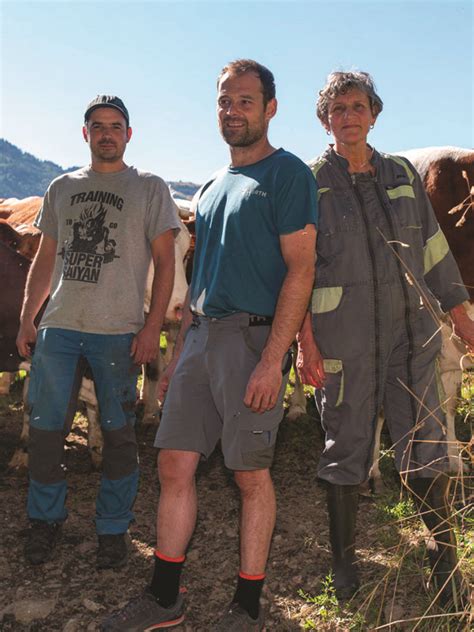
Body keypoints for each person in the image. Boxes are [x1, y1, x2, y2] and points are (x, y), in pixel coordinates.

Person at [102, 60, 318, 631]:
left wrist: (275, 359)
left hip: (252, 341)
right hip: (200, 340)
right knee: (174, 464)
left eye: (245, 101)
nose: (233, 110)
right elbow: (200, 285)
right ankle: (165, 597)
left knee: (250, 475)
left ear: (270, 108)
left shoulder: (288, 175)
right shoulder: (210, 186)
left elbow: (301, 271)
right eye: (225, 100)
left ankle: (246, 607)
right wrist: (177, 359)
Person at [297, 71, 474, 608]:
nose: (348, 116)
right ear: (325, 120)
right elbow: (295, 268)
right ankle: (344, 562)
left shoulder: (400, 174)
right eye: (338, 108)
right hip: (341, 337)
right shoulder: (308, 181)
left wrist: (462, 318)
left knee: (426, 445)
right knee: (346, 447)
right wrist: (304, 342)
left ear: (374, 114)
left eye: (358, 106)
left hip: (412, 334)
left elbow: (435, 251)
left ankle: (444, 561)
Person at [16, 94, 180, 570]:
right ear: (85, 134)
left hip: (118, 330)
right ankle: (45, 522)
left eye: (115, 126)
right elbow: (46, 258)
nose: (106, 133)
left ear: (129, 135)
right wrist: (30, 316)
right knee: (46, 432)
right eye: (97, 126)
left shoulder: (150, 188)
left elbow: (166, 262)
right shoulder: (62, 187)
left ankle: (113, 528)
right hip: (60, 327)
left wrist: (151, 327)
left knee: (119, 434)